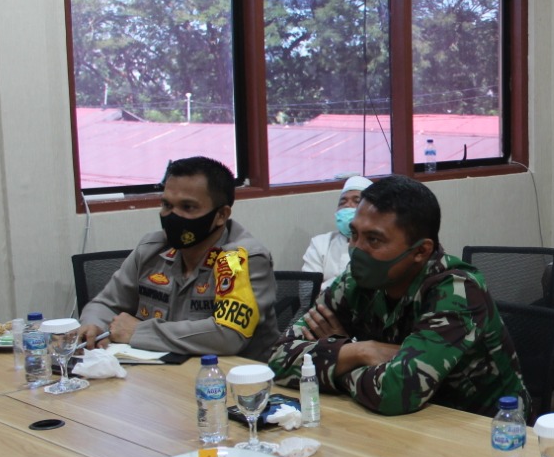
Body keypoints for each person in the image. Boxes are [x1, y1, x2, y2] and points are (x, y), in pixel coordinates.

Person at [268, 175, 527, 417]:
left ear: (420, 251)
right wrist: (359, 350)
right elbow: (278, 358)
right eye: (355, 234)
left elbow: (395, 392)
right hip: (400, 422)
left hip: (484, 429)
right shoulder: (355, 280)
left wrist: (335, 360)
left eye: (374, 240)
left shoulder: (456, 291)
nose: (357, 250)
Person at [79, 156, 278, 360]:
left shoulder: (240, 258)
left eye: (188, 207)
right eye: (167, 205)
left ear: (221, 215)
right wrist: (94, 325)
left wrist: (140, 332)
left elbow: (228, 335)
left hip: (229, 374)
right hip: (159, 370)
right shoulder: (151, 249)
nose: (173, 217)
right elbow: (105, 304)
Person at [302, 174, 372, 290]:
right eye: (342, 202)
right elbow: (307, 290)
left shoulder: (376, 245)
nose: (347, 205)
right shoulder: (320, 243)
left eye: (356, 201)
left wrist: (325, 286)